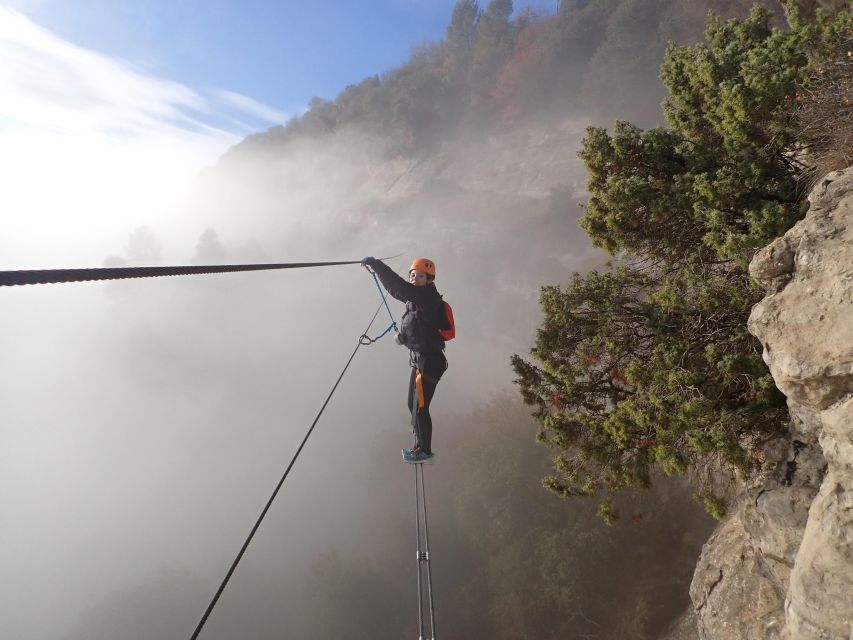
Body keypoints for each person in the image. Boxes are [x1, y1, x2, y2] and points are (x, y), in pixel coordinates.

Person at [361, 257, 448, 463]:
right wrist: (405, 338)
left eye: (419, 276)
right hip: (422, 360)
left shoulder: (426, 296)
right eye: (412, 275)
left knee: (420, 406)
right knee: (413, 404)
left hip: (430, 362)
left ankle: (425, 451)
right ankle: (420, 445)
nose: (414, 279)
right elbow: (398, 293)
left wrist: (376, 265)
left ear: (429, 280)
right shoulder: (416, 299)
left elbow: (397, 286)